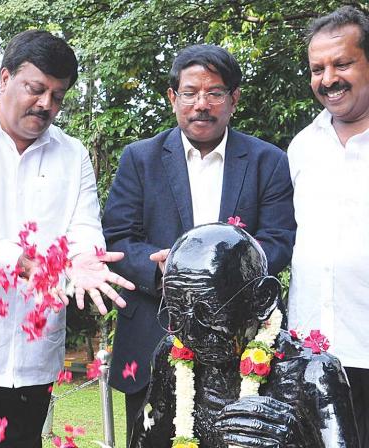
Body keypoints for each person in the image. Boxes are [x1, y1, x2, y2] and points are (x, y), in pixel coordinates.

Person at [0, 30, 135, 446]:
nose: (46, 104)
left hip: (33, 360)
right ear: (4, 79)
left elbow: (84, 227)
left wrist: (86, 259)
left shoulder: (73, 155)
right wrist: (28, 262)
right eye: (35, 89)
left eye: (58, 95)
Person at [101, 44, 296, 442]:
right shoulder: (140, 159)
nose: (201, 104)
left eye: (215, 93)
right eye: (190, 93)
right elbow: (117, 239)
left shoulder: (268, 161)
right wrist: (164, 270)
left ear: (234, 98)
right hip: (152, 336)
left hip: (241, 345)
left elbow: (278, 241)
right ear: (173, 97)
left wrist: (227, 275)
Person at [130, 223, 358, 447]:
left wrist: (296, 440)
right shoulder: (172, 355)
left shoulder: (311, 374)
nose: (191, 333)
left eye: (208, 312)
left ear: (263, 299)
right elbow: (145, 439)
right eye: (177, 311)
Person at [288, 6, 369, 446]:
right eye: (317, 68)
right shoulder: (302, 147)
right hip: (311, 356)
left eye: (342, 63)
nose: (328, 78)